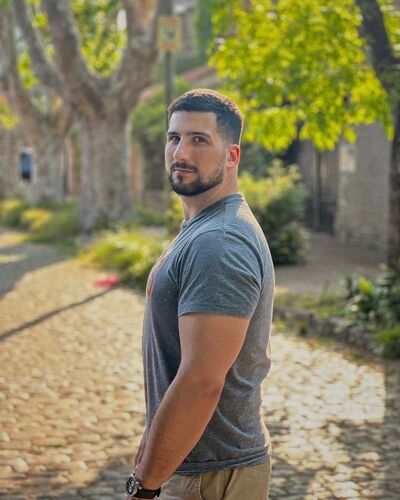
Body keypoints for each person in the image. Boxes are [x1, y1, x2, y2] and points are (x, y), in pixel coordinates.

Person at [126, 89, 274, 500]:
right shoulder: (203, 227)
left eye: (199, 140)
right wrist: (152, 445)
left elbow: (201, 380)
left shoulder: (219, 242)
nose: (181, 152)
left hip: (210, 476)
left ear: (232, 156)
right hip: (198, 466)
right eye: (174, 138)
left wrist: (144, 486)